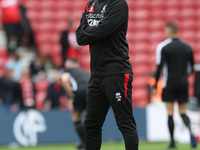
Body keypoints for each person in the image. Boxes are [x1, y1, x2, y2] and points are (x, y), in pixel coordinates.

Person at [76, 0, 139, 149]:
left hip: (116, 71)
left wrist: (89, 31)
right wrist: (94, 31)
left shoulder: (118, 4)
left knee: (125, 123)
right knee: (91, 125)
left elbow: (104, 30)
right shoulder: (90, 4)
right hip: (96, 74)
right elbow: (79, 37)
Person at [154, 22, 197, 149]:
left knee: (170, 113)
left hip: (170, 83)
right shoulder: (187, 46)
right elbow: (191, 67)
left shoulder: (163, 47)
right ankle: (191, 132)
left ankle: (172, 142)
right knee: (183, 112)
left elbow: (160, 67)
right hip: (183, 83)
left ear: (168, 31)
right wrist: (184, 77)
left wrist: (155, 84)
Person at [59, 58, 90, 150]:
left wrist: (70, 96)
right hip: (91, 92)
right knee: (87, 118)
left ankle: (84, 143)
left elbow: (64, 80)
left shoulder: (66, 70)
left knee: (76, 117)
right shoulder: (85, 71)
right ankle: (88, 142)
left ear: (68, 64)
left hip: (79, 92)